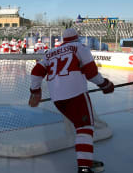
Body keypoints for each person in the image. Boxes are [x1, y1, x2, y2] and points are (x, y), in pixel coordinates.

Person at [29, 28, 114, 173]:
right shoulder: (80, 47)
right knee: (85, 127)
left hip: (57, 98)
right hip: (76, 93)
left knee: (80, 126)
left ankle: (85, 160)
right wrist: (105, 85)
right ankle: (84, 167)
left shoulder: (49, 53)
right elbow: (92, 73)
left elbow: (36, 72)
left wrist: (35, 92)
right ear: (77, 37)